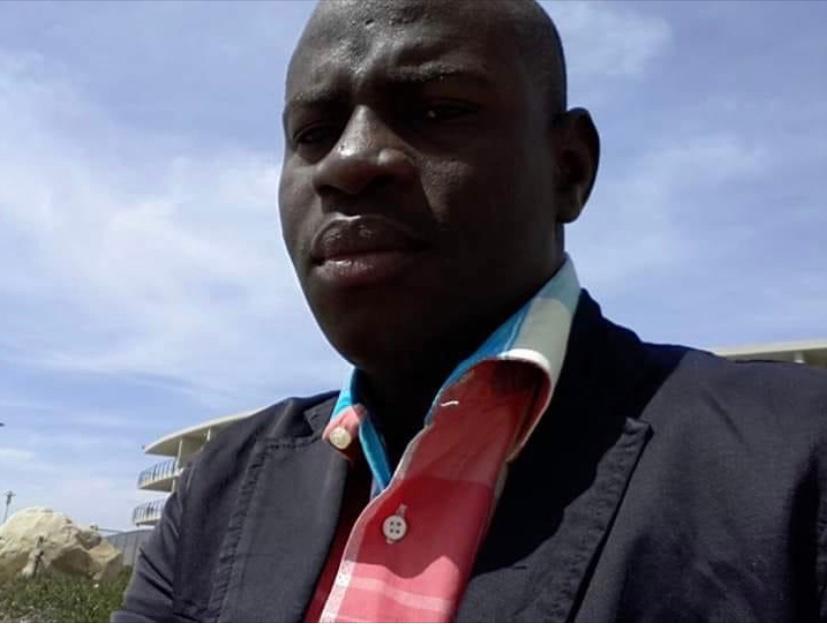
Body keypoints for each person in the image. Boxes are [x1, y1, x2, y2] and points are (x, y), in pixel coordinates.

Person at [115, 0, 827, 621]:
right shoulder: (219, 488)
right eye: (312, 132)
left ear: (570, 169)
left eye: (439, 110)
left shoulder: (796, 459)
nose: (347, 161)